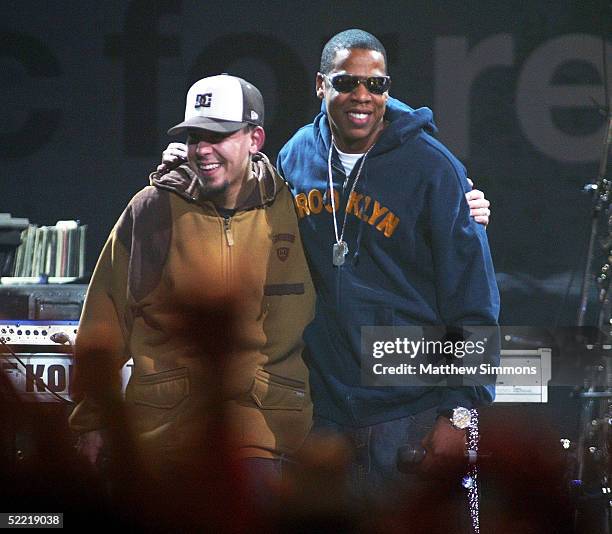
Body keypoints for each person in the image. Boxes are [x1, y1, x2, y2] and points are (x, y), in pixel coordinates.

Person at [275, 28, 500, 503]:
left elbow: (474, 299)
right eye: (345, 82)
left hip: (409, 408)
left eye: (375, 85)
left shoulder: (432, 168)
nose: (362, 96)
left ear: (387, 88)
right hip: (324, 407)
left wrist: (461, 413)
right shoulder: (296, 157)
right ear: (320, 85)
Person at [69, 74, 316, 486]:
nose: (202, 150)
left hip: (264, 438)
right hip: (164, 438)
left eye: (217, 136)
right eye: (194, 137)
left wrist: (464, 209)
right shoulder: (151, 209)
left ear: (255, 139)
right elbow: (105, 320)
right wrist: (90, 420)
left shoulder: (295, 207)